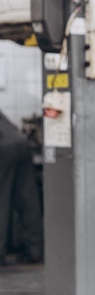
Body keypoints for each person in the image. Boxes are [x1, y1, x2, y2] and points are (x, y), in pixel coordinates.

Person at [0, 111, 43, 266]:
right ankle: (35, 250)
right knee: (27, 198)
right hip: (21, 143)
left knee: (1, 200)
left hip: (3, 148)